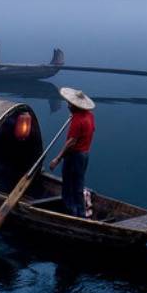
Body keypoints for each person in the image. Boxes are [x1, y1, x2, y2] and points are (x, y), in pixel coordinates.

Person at [48, 87, 96, 218]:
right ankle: (80, 213)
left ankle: (71, 213)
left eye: (70, 104)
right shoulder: (89, 116)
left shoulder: (78, 120)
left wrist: (57, 159)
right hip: (85, 155)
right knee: (78, 184)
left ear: (76, 106)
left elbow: (71, 143)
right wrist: (75, 116)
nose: (68, 105)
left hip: (74, 156)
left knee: (69, 186)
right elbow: (89, 131)